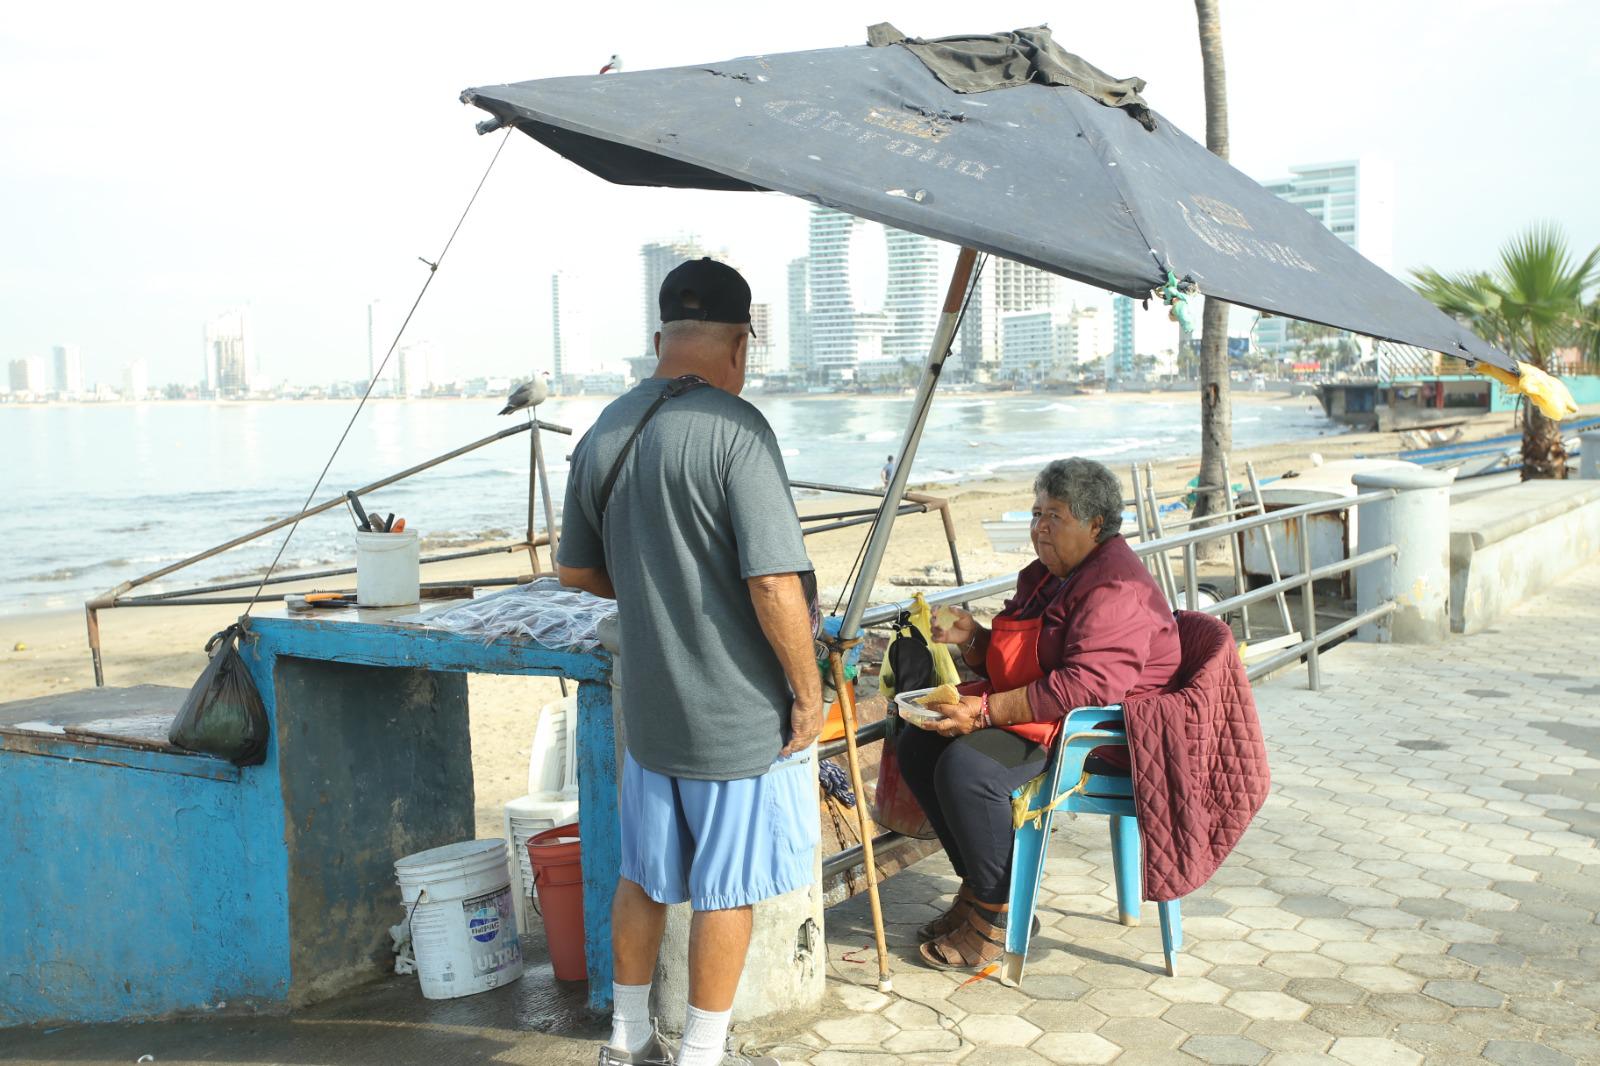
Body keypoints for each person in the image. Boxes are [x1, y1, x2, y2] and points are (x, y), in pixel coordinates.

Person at [557, 258, 821, 1066]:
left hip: (653, 707)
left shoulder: (605, 427)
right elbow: (774, 582)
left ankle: (627, 1040)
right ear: (744, 342)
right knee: (726, 888)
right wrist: (807, 696)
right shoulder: (738, 430)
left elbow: (576, 571)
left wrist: (649, 586)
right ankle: (704, 1052)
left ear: (660, 335)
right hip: (734, 713)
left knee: (643, 878)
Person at [897, 456, 1181, 972]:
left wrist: (983, 713)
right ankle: (981, 887)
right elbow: (1031, 658)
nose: (1039, 527)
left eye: (1056, 516)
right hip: (1054, 711)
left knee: (968, 768)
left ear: (1096, 525)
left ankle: (999, 911)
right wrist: (975, 639)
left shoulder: (1113, 586)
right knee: (917, 738)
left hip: (1105, 733)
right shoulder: (1054, 575)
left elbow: (1087, 685)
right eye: (1036, 513)